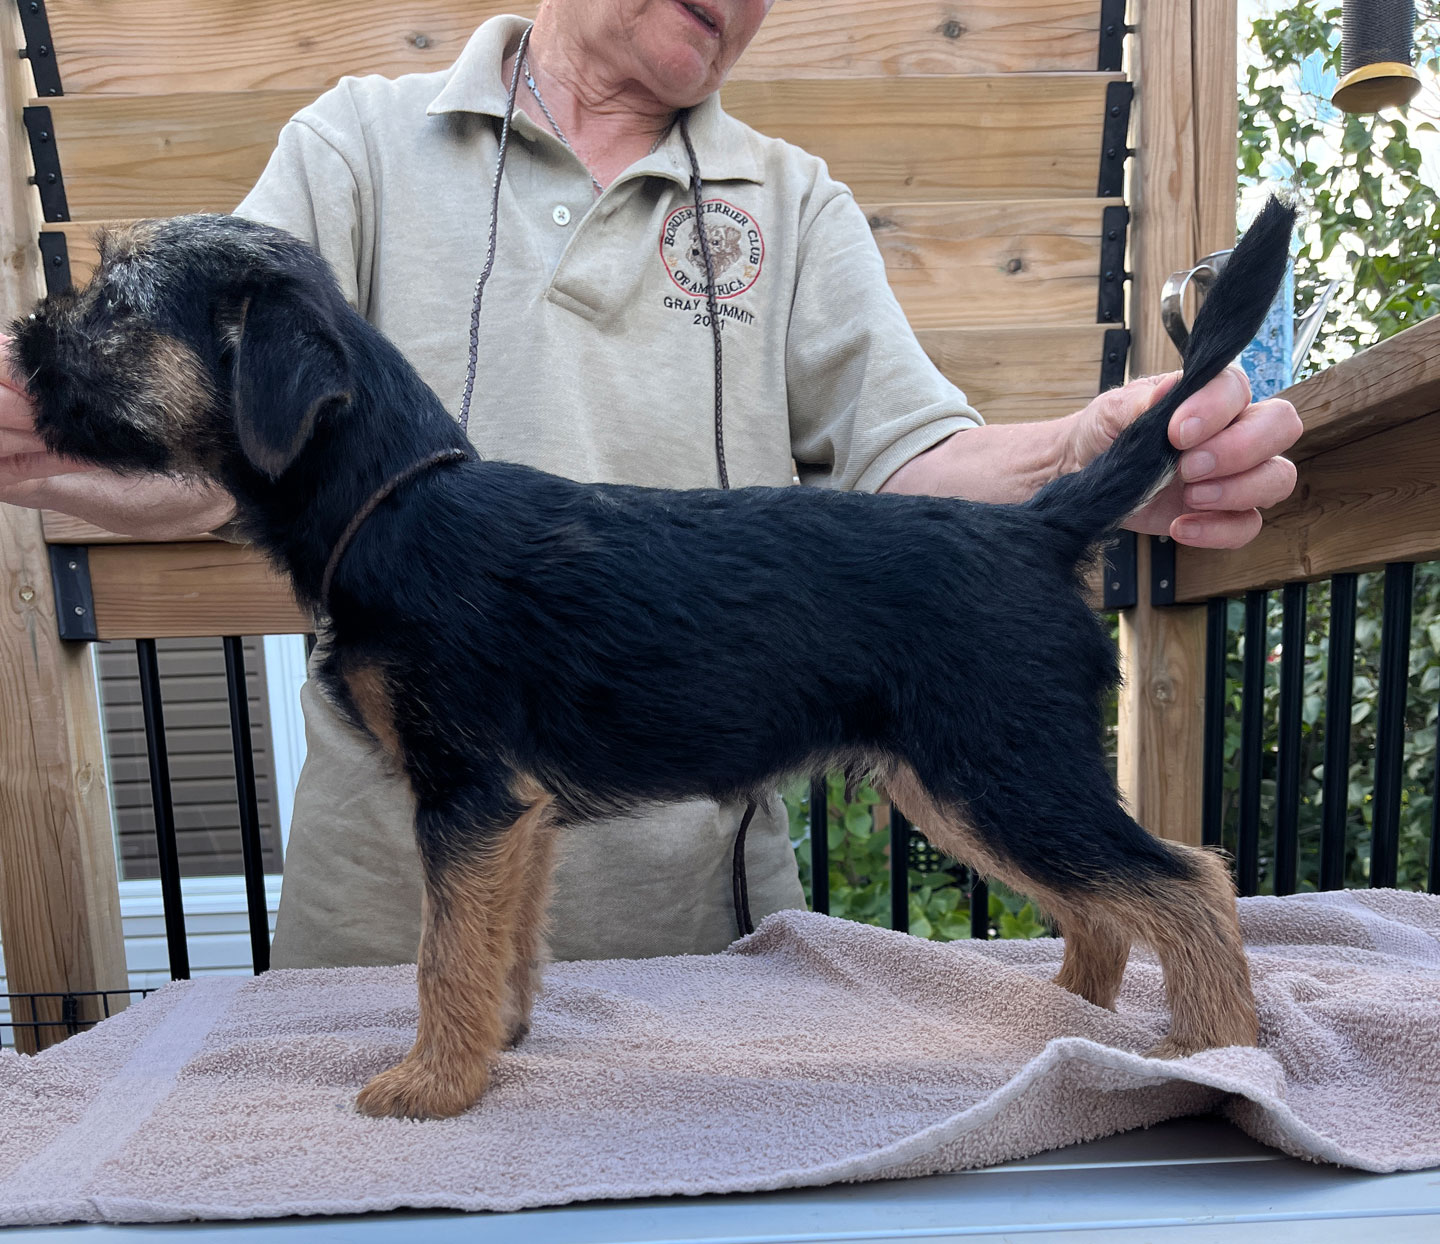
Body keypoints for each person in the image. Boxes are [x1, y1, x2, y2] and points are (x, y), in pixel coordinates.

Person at [0, 0, 1302, 969]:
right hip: (380, 940)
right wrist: (52, 429)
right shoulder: (354, 142)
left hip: (704, 951)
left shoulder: (792, 199)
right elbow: (220, 439)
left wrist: (1089, 456)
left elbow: (908, 466)